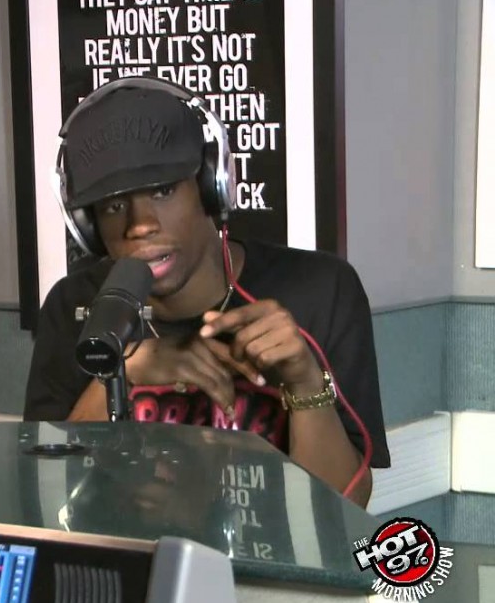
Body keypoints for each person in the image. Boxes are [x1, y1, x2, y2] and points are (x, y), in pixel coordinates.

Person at [23, 81, 390, 507]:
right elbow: (49, 496)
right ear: (88, 227)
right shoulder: (74, 306)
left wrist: (305, 381)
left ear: (212, 187)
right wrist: (127, 371)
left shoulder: (321, 290)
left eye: (162, 190)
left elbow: (346, 507)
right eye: (113, 206)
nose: (140, 225)